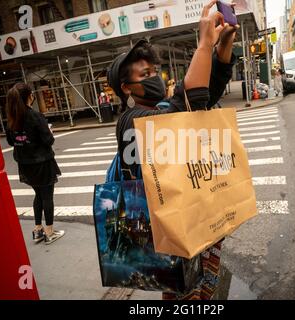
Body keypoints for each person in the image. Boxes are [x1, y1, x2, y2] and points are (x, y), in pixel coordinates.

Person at [107, 0, 237, 299]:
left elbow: (208, 89)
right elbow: (187, 104)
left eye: (154, 70)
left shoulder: (161, 108)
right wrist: (204, 44)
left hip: (192, 221)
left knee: (203, 290)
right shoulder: (131, 121)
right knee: (182, 294)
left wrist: (223, 46)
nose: (154, 77)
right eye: (144, 74)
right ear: (126, 87)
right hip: (169, 236)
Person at [5, 83, 65, 245]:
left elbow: (11, 141)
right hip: (42, 163)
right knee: (47, 196)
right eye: (32, 94)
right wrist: (50, 131)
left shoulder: (12, 118)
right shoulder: (35, 116)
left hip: (25, 165)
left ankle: (38, 230)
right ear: (29, 97)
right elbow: (48, 140)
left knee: (38, 195)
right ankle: (50, 232)